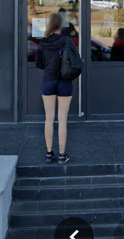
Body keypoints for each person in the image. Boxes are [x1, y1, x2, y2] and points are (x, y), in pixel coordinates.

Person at [35, 12, 72, 164]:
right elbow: (75, 60)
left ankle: (49, 153)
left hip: (48, 81)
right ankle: (62, 155)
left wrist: (49, 67)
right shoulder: (67, 41)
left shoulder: (43, 43)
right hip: (64, 82)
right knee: (62, 119)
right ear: (60, 25)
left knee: (49, 119)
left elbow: (38, 64)